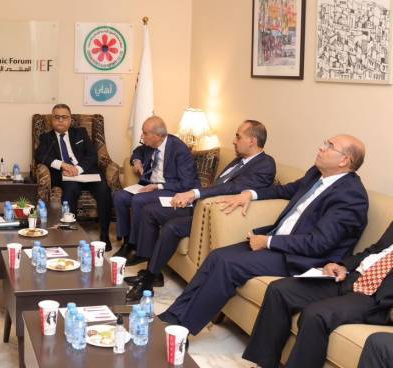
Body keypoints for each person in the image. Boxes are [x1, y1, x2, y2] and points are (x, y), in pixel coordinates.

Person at [158, 135, 369, 335]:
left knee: (229, 265)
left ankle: (181, 331)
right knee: (217, 256)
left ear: (344, 160)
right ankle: (172, 317)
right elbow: (284, 191)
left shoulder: (351, 195)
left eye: (330, 146)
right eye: (325, 143)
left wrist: (268, 242)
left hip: (303, 258)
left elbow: (319, 244)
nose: (321, 147)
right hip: (280, 242)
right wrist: (250, 194)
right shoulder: (316, 174)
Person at [125, 120, 276, 300]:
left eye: (238, 136)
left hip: (217, 215)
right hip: (202, 206)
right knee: (150, 211)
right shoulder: (239, 160)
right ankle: (152, 271)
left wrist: (194, 193)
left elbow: (232, 188)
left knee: (172, 226)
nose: (234, 141)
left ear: (252, 140)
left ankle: (148, 281)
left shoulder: (265, 165)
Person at [243, 222, 393, 368]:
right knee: (279, 290)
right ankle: (264, 363)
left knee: (315, 315)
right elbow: (374, 251)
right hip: (350, 277)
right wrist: (343, 266)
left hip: (375, 295)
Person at [113, 116, 199, 262]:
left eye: (145, 133)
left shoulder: (180, 150)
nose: (141, 136)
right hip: (149, 185)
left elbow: (187, 184)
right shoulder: (151, 143)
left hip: (169, 189)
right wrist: (136, 160)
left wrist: (158, 186)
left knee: (138, 200)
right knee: (119, 196)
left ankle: (136, 247)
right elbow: (138, 150)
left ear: (158, 135)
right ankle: (126, 242)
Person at [34, 103, 112, 248]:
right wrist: (62, 165)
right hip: (65, 175)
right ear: (52, 120)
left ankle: (104, 234)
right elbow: (40, 155)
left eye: (64, 117)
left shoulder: (81, 133)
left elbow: (92, 155)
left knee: (104, 190)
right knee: (70, 189)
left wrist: (78, 169)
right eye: (57, 117)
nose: (60, 120)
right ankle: (70, 233)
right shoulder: (46, 138)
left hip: (86, 172)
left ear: (70, 119)